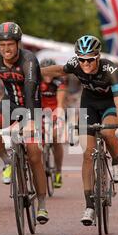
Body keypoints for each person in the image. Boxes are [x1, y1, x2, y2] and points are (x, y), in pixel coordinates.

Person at [41, 35, 118, 226]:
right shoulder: (75, 63)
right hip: (88, 105)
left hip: (109, 105)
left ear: (98, 57)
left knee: (107, 132)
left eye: (90, 59)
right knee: (88, 154)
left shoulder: (111, 70)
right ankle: (89, 205)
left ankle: (116, 161)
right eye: (82, 59)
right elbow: (58, 70)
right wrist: (33, 71)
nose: (86, 63)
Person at [0, 22, 50, 224]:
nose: (6, 49)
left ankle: (41, 204)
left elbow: (30, 91)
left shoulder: (29, 61)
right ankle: (8, 161)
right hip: (8, 105)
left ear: (18, 44)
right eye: (2, 45)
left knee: (34, 155)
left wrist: (31, 120)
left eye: (10, 45)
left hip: (31, 107)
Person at [39, 58, 67, 189]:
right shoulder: (36, 82)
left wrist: (59, 114)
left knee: (56, 138)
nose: (48, 75)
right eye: (46, 72)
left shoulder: (59, 82)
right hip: (40, 113)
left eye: (51, 72)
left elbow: (60, 102)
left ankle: (58, 171)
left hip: (56, 112)